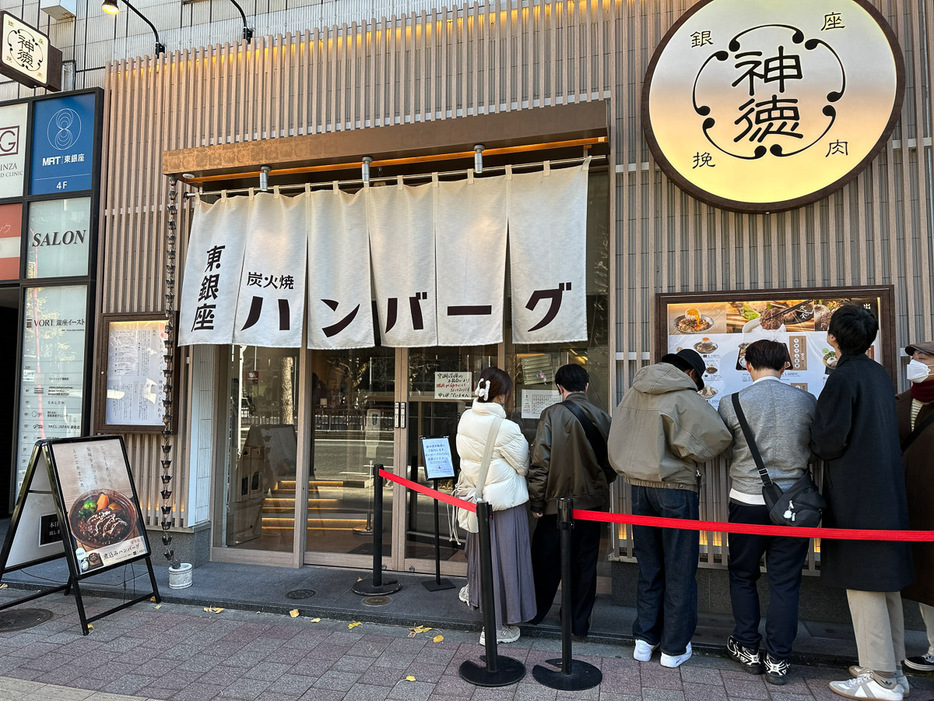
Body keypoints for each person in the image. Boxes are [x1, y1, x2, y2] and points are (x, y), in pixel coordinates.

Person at [810, 305, 913, 701]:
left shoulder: (843, 377)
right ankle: (893, 666)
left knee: (865, 580)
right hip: (887, 489)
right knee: (885, 580)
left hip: (858, 492)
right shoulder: (878, 374)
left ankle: (881, 677)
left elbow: (828, 441)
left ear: (833, 337)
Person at [607, 348, 731, 668]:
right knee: (679, 568)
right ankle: (674, 649)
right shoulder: (682, 395)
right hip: (675, 489)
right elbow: (713, 441)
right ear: (691, 373)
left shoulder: (633, 391)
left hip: (638, 489)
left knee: (649, 566)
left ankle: (645, 640)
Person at [717, 340, 816, 685]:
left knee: (743, 575)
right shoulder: (806, 401)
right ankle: (777, 659)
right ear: (786, 366)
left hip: (746, 500)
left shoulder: (731, 404)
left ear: (747, 366)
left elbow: (718, 445)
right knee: (785, 581)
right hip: (794, 505)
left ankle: (747, 646)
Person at [527, 363, 612, 639]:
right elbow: (612, 465)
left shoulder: (551, 414)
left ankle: (536, 614)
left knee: (545, 562)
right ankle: (577, 623)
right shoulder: (603, 416)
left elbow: (541, 462)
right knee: (585, 564)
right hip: (592, 507)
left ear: (559, 388)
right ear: (586, 386)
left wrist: (537, 502)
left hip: (555, 505)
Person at [454, 367, 537, 645]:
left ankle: (478, 600)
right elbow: (524, 465)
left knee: (483, 559)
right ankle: (498, 626)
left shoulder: (465, 419)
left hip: (477, 503)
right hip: (504, 505)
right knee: (505, 563)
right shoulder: (506, 428)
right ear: (502, 395)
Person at [898, 340, 934, 673]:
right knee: (925, 580)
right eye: (914, 357)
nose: (917, 362)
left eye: (924, 357)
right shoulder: (900, 402)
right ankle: (933, 647)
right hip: (909, 504)